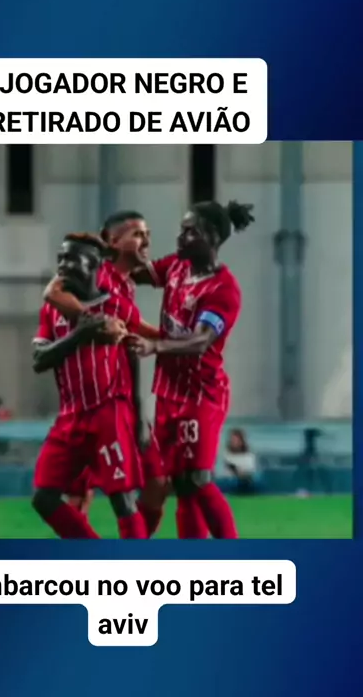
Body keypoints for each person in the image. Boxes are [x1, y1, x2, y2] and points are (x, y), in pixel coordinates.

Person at [128, 200, 255, 539]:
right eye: (181, 230)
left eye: (189, 232)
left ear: (211, 236)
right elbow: (137, 274)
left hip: (201, 395)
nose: (180, 237)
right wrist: (118, 256)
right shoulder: (176, 267)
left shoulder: (223, 289)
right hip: (168, 393)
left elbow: (201, 340)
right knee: (175, 483)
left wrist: (155, 346)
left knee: (196, 479)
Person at [44, 211, 167, 536]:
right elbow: (53, 291)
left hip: (121, 400)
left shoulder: (124, 284)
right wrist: (93, 322)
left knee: (157, 484)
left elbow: (132, 328)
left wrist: (177, 340)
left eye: (147, 234)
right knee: (85, 494)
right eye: (138, 234)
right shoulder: (98, 274)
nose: (146, 240)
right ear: (112, 241)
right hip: (95, 404)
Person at [223, 428, 259, 495]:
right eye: (232, 440)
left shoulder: (248, 456)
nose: (233, 442)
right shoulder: (227, 454)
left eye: (236, 440)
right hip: (230, 482)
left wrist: (238, 471)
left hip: (244, 481)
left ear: (241, 441)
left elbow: (250, 472)